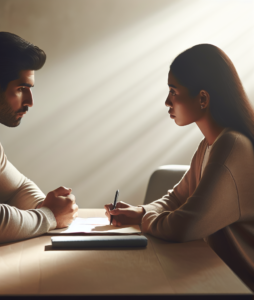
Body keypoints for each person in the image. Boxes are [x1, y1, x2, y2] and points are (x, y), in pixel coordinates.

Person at [104, 44, 254, 291]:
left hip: (239, 286)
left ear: (203, 98)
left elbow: (184, 226)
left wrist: (145, 220)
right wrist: (140, 212)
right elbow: (176, 198)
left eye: (173, 91)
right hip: (217, 279)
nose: (167, 101)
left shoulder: (232, 146)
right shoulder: (209, 145)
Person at [0, 32, 78, 294]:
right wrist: (49, 216)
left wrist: (47, 207)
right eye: (22, 90)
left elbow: (18, 187)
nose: (30, 103)